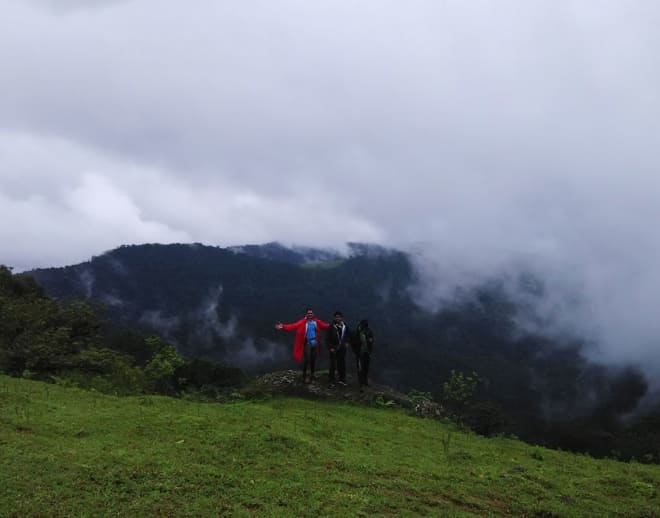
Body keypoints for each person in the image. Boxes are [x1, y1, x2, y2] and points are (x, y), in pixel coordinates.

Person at [275, 308, 330, 383]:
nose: (310, 314)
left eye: (311, 313)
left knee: (313, 360)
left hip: (315, 343)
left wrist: (334, 325)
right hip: (307, 343)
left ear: (313, 314)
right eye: (308, 313)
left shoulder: (316, 321)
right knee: (307, 360)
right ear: (306, 314)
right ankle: (304, 376)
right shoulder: (302, 322)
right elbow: (293, 326)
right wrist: (283, 326)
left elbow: (324, 326)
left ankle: (312, 375)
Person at [327, 310, 350, 388]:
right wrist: (330, 348)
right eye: (336, 317)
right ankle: (331, 382)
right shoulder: (331, 327)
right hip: (334, 349)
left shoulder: (345, 326)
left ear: (341, 318)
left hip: (342, 349)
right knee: (332, 365)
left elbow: (349, 335)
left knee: (342, 364)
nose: (338, 318)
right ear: (334, 318)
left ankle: (342, 380)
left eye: (339, 317)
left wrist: (347, 342)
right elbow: (327, 339)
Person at [354, 319, 374, 392]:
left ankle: (364, 381)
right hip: (360, 353)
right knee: (360, 368)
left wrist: (370, 342)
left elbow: (372, 340)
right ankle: (361, 383)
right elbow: (355, 342)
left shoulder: (368, 331)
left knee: (365, 367)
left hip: (366, 352)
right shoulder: (358, 332)